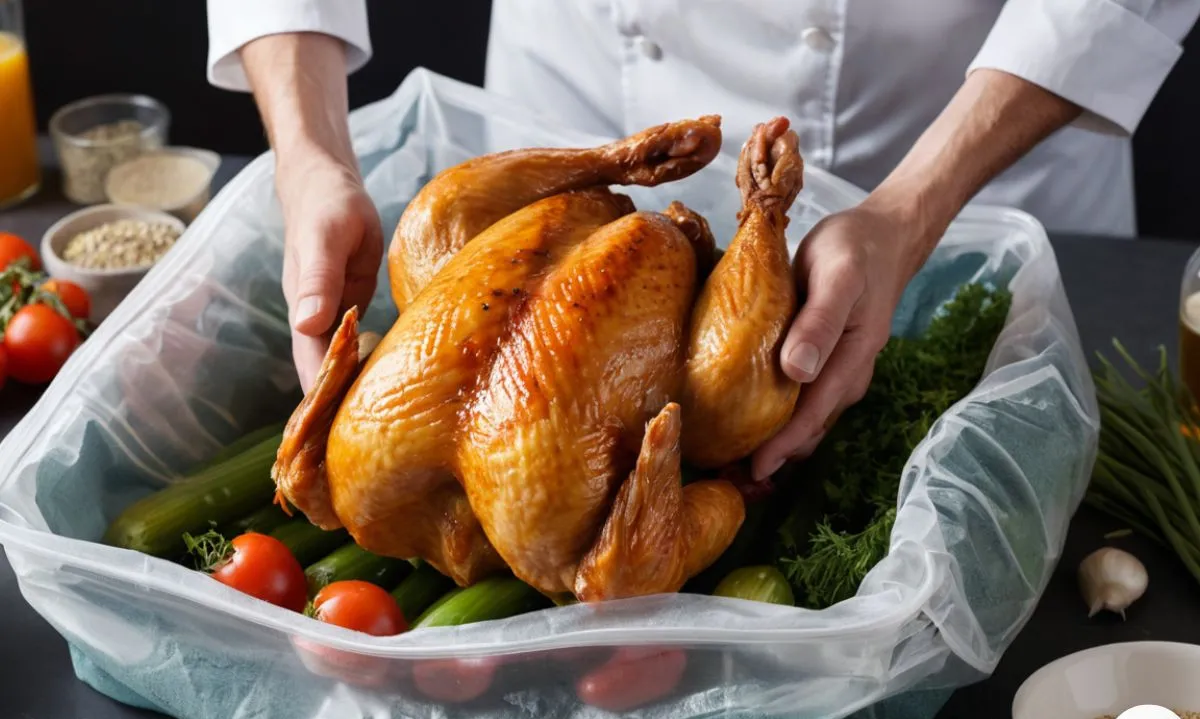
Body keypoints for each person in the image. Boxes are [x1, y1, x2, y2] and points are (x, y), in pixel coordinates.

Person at [206, 0, 1198, 480]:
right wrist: (310, 153)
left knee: (738, 413)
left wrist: (910, 210)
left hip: (954, 145)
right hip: (569, 122)